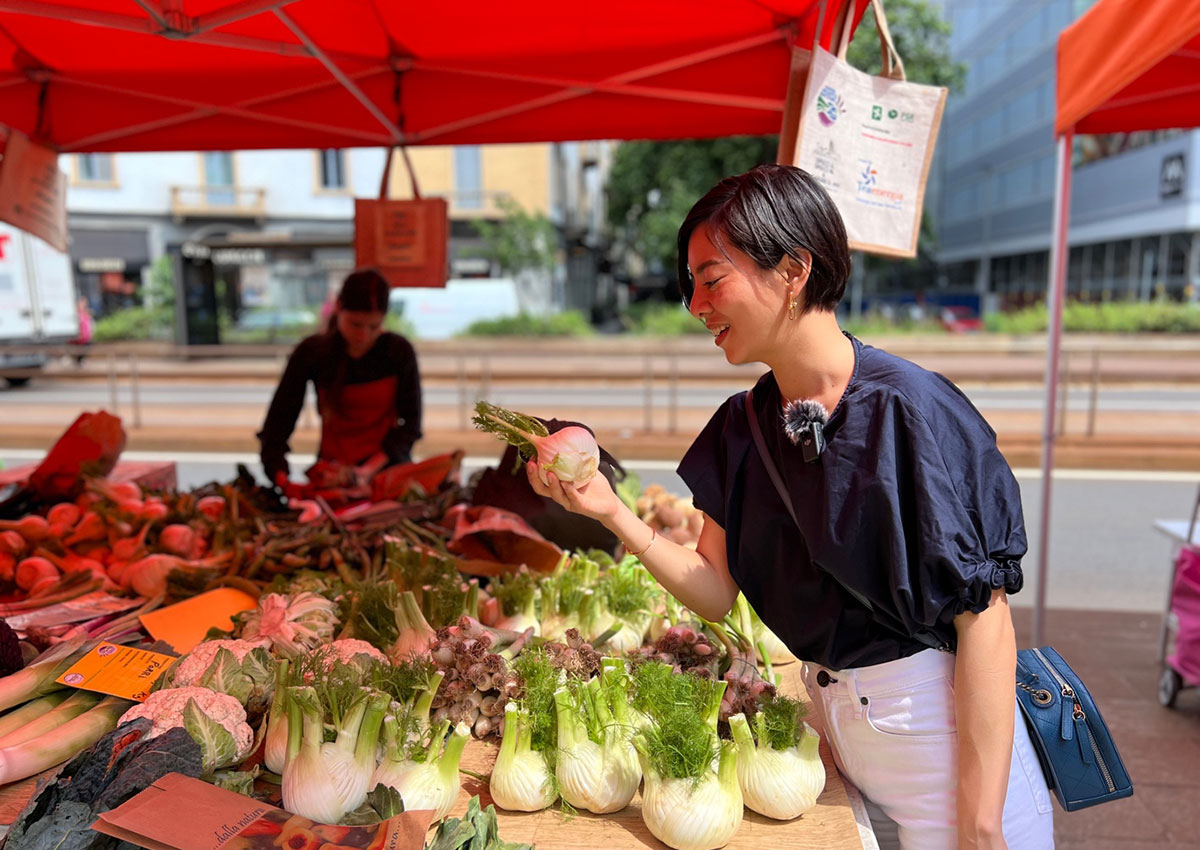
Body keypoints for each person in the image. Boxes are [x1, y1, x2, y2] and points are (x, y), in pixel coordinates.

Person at [527, 165, 1054, 850]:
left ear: (794, 269)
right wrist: (609, 513)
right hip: (838, 734)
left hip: (943, 740)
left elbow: (985, 622)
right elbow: (715, 592)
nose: (694, 304)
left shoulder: (912, 410)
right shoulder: (742, 427)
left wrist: (981, 823)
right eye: (692, 284)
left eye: (711, 279)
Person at [258, 269, 421, 490]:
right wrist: (282, 479)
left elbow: (410, 425)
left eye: (373, 327)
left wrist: (366, 471)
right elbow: (278, 422)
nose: (363, 335)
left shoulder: (398, 351)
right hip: (331, 473)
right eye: (355, 324)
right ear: (338, 309)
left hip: (388, 471)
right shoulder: (313, 352)